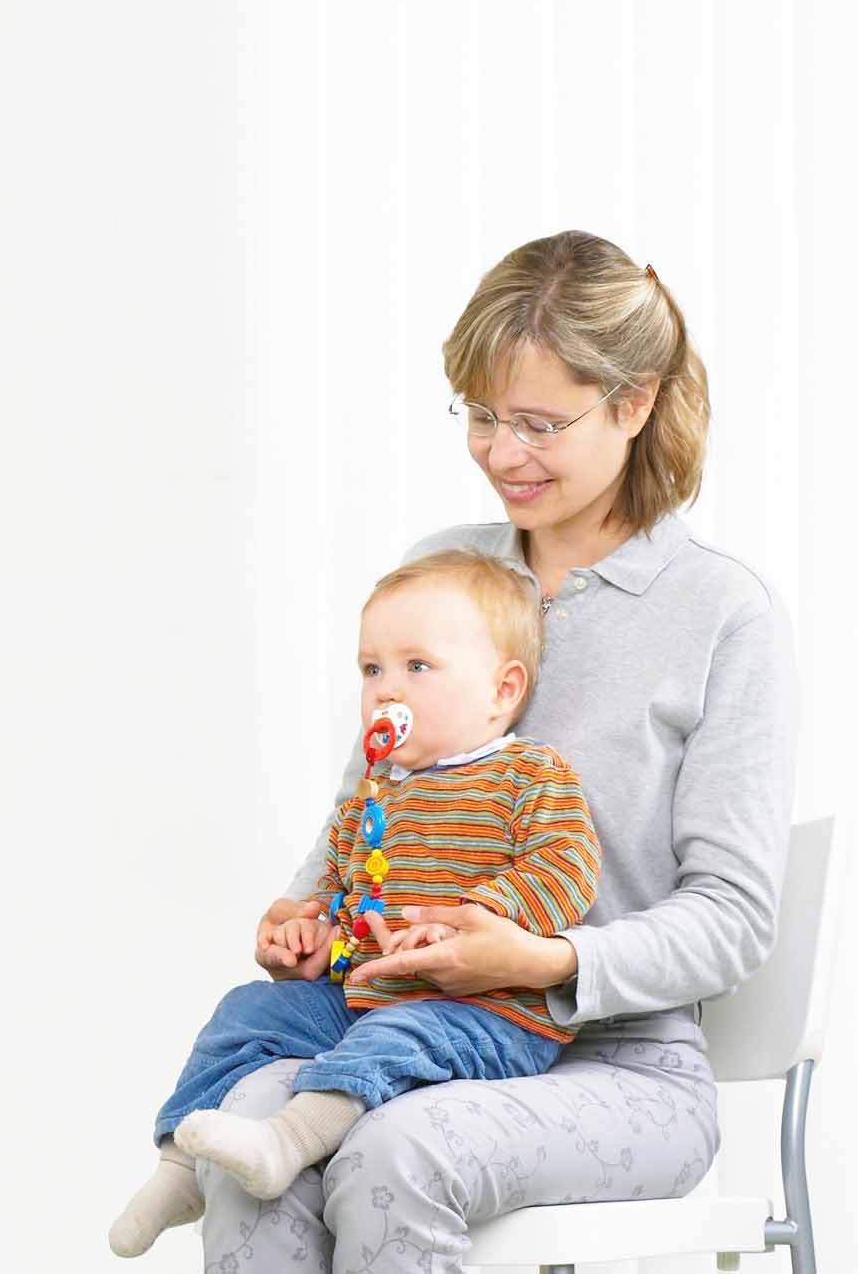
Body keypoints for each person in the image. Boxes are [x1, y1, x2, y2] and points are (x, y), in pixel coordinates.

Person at [190, 230, 796, 1274]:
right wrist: (307, 917)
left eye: (537, 423)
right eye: (479, 417)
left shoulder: (717, 614)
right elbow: (369, 803)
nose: (501, 452)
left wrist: (546, 962)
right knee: (251, 1114)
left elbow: (733, 918)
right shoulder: (445, 574)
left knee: (393, 1148)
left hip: (621, 1066)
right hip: (400, 1024)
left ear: (634, 403)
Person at [108, 552, 600, 1256]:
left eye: (417, 668)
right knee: (249, 1009)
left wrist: (474, 916)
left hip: (487, 1012)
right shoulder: (376, 796)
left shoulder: (530, 775)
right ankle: (181, 1166)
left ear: (502, 689)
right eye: (372, 670)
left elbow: (566, 868)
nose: (385, 691)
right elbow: (345, 896)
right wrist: (313, 935)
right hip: (367, 994)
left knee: (394, 1040)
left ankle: (289, 1140)